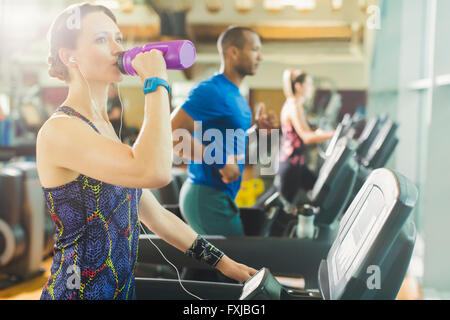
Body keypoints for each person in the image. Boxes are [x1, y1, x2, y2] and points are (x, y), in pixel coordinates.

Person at [37, 3, 255, 300]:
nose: (117, 48)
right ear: (69, 55)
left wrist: (224, 263)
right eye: (102, 39)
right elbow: (154, 171)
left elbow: (157, 216)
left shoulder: (104, 130)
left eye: (118, 38)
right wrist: (156, 82)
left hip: (123, 292)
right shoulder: (61, 130)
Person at [171, 26, 276, 236]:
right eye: (255, 49)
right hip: (206, 195)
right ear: (234, 52)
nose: (260, 57)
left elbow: (229, 142)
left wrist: (256, 131)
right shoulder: (211, 90)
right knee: (239, 264)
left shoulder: (236, 95)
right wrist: (220, 160)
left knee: (207, 269)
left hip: (220, 195)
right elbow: (172, 133)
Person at [277, 69, 334, 204]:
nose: (312, 88)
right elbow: (306, 137)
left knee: (322, 192)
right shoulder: (294, 106)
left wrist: (319, 133)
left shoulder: (296, 105)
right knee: (283, 208)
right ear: (299, 86)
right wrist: (331, 134)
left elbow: (306, 131)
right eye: (309, 84)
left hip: (298, 164)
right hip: (291, 165)